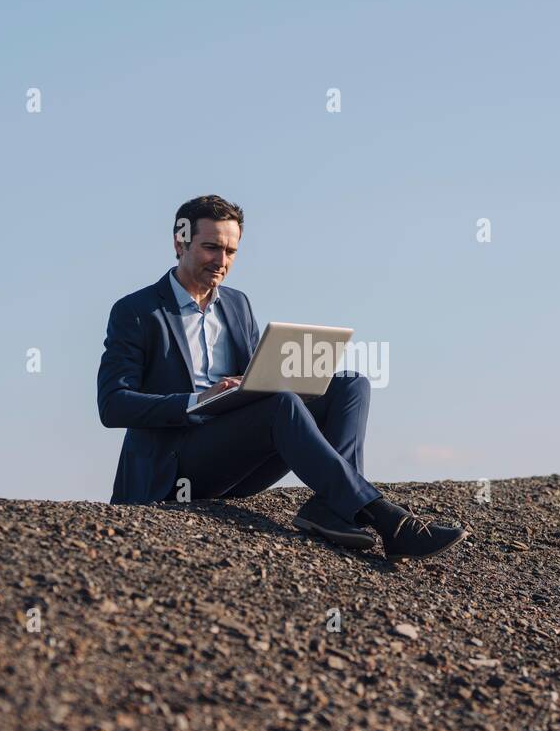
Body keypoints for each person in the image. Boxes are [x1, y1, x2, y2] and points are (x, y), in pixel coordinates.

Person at [97, 194, 467, 561]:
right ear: (180, 243)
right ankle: (390, 522)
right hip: (175, 466)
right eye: (211, 248)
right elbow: (113, 405)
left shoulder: (237, 304)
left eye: (231, 251)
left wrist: (257, 382)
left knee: (351, 383)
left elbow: (260, 380)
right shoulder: (137, 311)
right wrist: (199, 400)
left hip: (236, 454)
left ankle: (330, 508)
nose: (222, 261)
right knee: (281, 404)